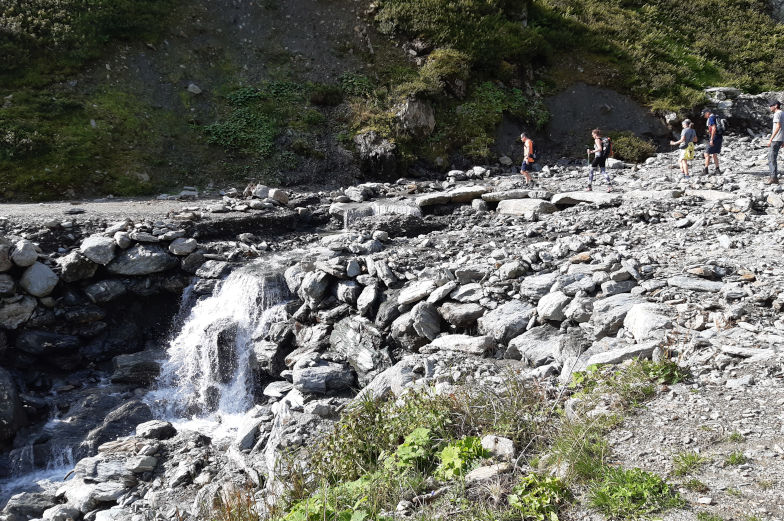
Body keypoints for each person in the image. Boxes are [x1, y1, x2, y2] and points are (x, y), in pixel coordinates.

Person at [766, 99, 784, 185]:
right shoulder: (782, 113)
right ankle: (774, 177)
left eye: (771, 105)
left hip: (776, 139)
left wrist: (770, 139)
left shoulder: (777, 114)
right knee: (773, 157)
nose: (769, 107)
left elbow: (778, 126)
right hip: (780, 139)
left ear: (776, 105)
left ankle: (773, 178)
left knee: (771, 158)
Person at [701, 109, 722, 175]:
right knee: (714, 154)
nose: (704, 116)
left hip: (714, 137)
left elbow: (714, 128)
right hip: (719, 137)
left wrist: (711, 139)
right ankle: (717, 170)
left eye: (704, 115)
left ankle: (706, 170)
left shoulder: (711, 118)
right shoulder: (717, 117)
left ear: (707, 113)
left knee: (706, 153)